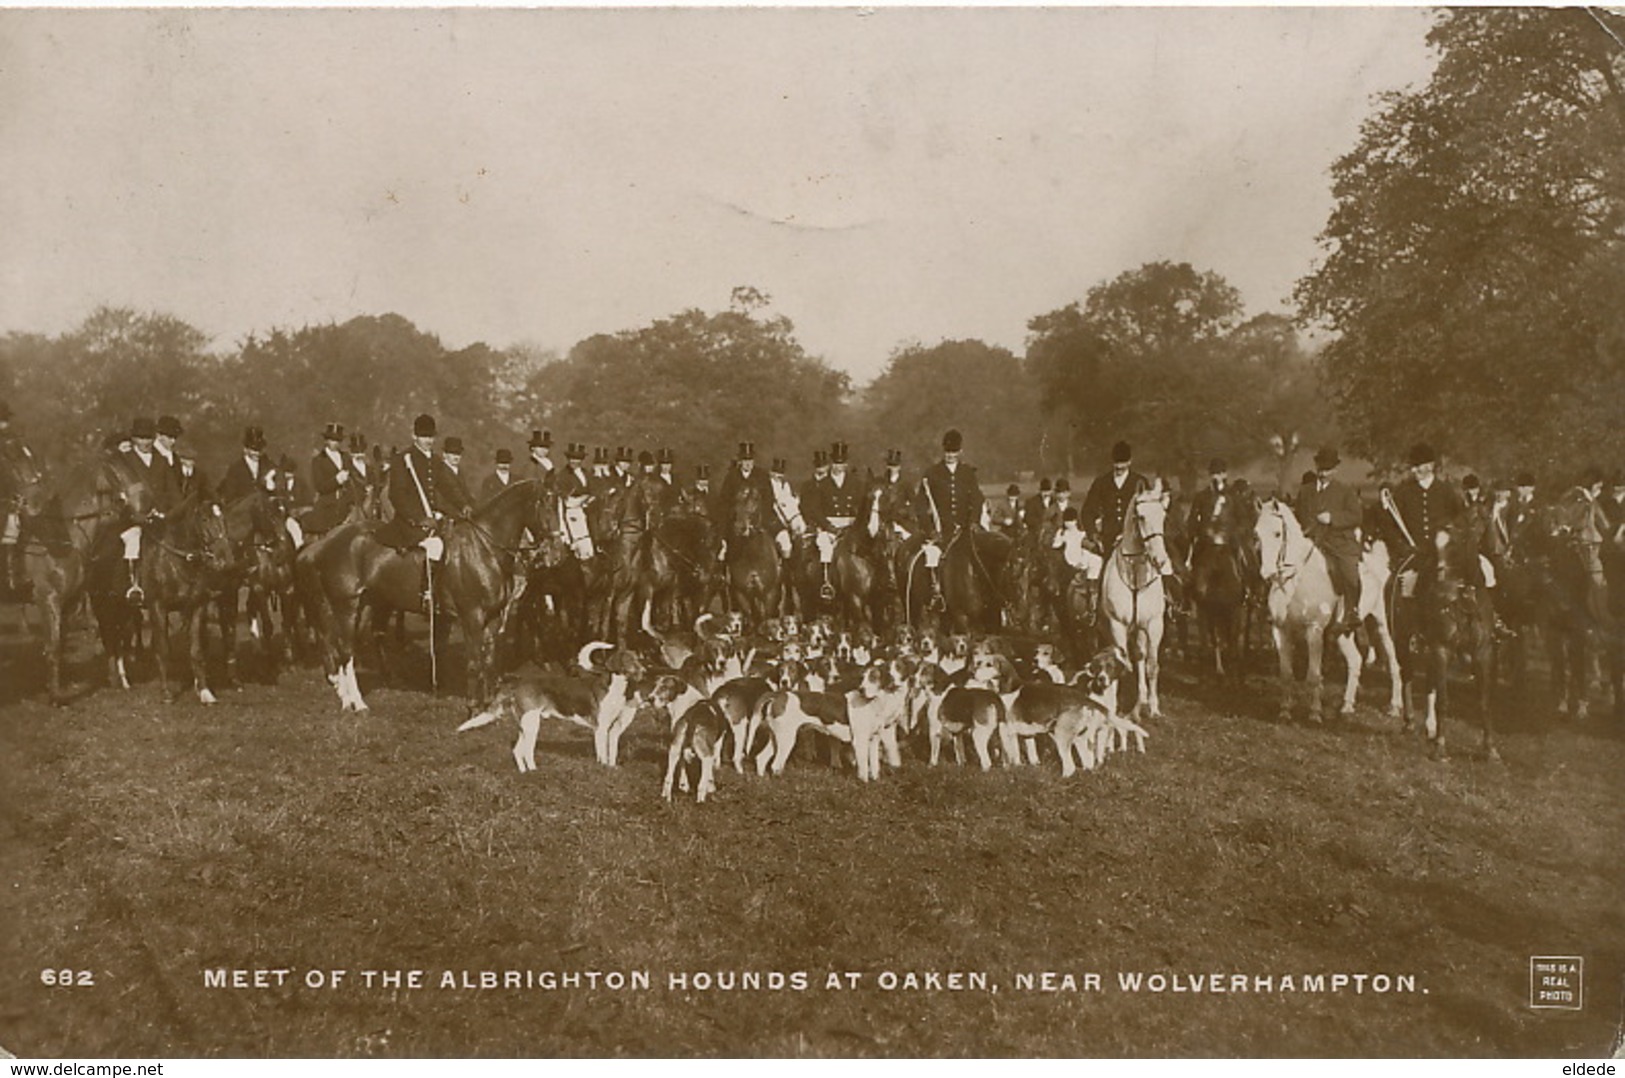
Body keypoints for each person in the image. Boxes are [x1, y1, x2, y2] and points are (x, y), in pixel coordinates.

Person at [1297, 447, 1363, 632]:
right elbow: (1298, 515)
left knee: (1350, 573)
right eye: (1320, 469)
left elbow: (1356, 516)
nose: (1323, 473)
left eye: (1327, 469)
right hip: (1311, 542)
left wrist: (1332, 518)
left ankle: (1352, 610)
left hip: (1338, 543)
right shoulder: (1305, 491)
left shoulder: (1345, 491)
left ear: (1335, 470)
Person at [1385, 443, 1465, 594]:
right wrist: (1403, 548)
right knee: (1393, 588)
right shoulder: (1403, 492)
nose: (1413, 470)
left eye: (1417, 466)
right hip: (1413, 556)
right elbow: (1390, 526)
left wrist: (1449, 540)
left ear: (1430, 466)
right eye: (1412, 466)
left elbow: (1460, 520)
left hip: (1442, 557)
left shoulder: (1446, 491)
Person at [377, 413, 444, 555]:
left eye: (431, 437)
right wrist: (419, 519)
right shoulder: (402, 459)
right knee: (434, 548)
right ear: (414, 436)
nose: (429, 441)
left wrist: (464, 506)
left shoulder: (437, 461)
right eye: (424, 436)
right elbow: (397, 495)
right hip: (408, 524)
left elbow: (449, 488)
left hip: (434, 522)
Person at [1081, 441, 1150, 554]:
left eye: (1122, 465)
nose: (1119, 468)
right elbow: (1087, 511)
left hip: (1135, 543)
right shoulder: (1101, 482)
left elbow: (1148, 514)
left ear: (1130, 461)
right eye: (1116, 465)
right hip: (1108, 542)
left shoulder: (1140, 482)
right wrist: (1093, 535)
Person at [916, 429, 983, 544]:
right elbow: (921, 504)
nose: (950, 455)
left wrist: (974, 522)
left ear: (960, 451)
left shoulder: (968, 473)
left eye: (954, 452)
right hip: (940, 531)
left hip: (965, 530)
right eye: (947, 451)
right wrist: (930, 530)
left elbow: (976, 499)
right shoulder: (932, 473)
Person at [305, 422, 353, 534]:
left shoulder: (346, 457)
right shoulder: (318, 460)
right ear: (326, 441)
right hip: (326, 508)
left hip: (345, 507)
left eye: (338, 440)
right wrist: (337, 480)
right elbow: (320, 487)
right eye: (332, 440)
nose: (335, 443)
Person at [217, 426, 272, 503]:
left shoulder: (268, 465)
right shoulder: (235, 469)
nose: (257, 453)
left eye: (260, 449)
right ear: (245, 449)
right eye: (254, 450)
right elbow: (230, 497)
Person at [437, 436, 474, 517]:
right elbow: (452, 491)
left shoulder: (459, 471)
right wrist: (464, 505)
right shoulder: (441, 470)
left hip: (459, 511)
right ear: (444, 454)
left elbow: (466, 493)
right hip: (444, 512)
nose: (456, 457)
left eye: (458, 453)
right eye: (452, 453)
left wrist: (474, 505)